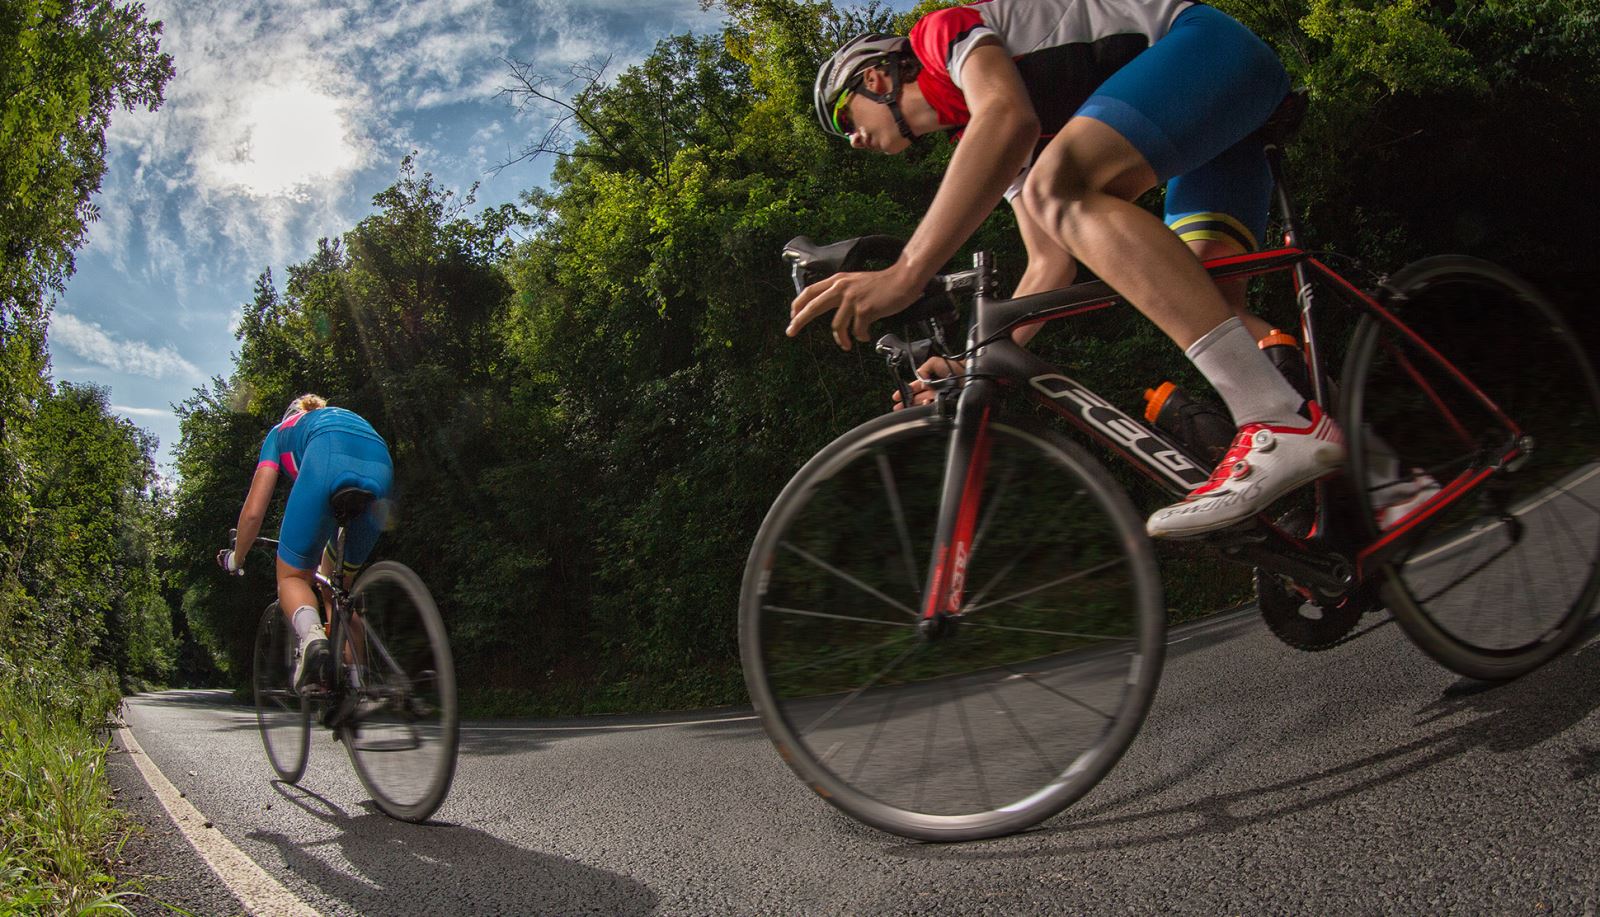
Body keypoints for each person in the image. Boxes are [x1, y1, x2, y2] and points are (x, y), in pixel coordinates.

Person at [787, 0, 1347, 538]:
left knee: (1062, 187)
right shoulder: (981, 133)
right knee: (1206, 304)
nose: (853, 140)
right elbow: (1050, 265)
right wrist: (967, 368)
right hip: (1221, 123)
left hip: (1210, 52)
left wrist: (907, 271)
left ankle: (1274, 418)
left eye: (844, 119)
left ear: (876, 79)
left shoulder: (942, 38)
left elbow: (1007, 117)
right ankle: (1388, 483)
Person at [217, 395, 394, 693]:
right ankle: (356, 681)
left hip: (326, 456)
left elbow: (253, 512)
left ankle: (313, 643)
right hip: (381, 462)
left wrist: (237, 557)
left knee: (292, 576)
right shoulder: (338, 415)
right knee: (338, 591)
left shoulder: (281, 431)